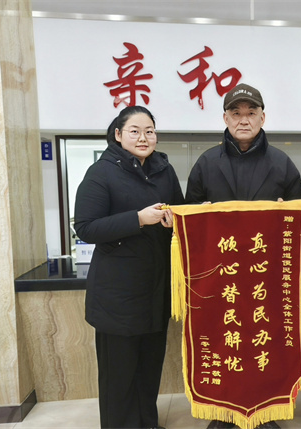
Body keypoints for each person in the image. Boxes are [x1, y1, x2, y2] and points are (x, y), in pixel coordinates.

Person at [185, 83, 301, 429]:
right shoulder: (207, 163)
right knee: (225, 343)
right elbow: (188, 216)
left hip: (265, 277)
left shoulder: (281, 163)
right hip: (220, 278)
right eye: (236, 113)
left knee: (263, 345)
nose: (243, 119)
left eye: (251, 113)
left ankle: (264, 411)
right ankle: (224, 412)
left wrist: (286, 213)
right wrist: (201, 213)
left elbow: (300, 222)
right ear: (225, 118)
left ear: (263, 118)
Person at [74, 106, 185, 428]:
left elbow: (178, 212)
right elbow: (86, 227)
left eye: (149, 131)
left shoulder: (163, 170)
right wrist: (138, 219)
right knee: (119, 376)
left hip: (155, 290)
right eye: (135, 131)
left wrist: (178, 219)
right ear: (118, 134)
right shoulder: (101, 172)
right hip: (117, 296)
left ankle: (147, 423)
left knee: (149, 371)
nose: (143, 137)